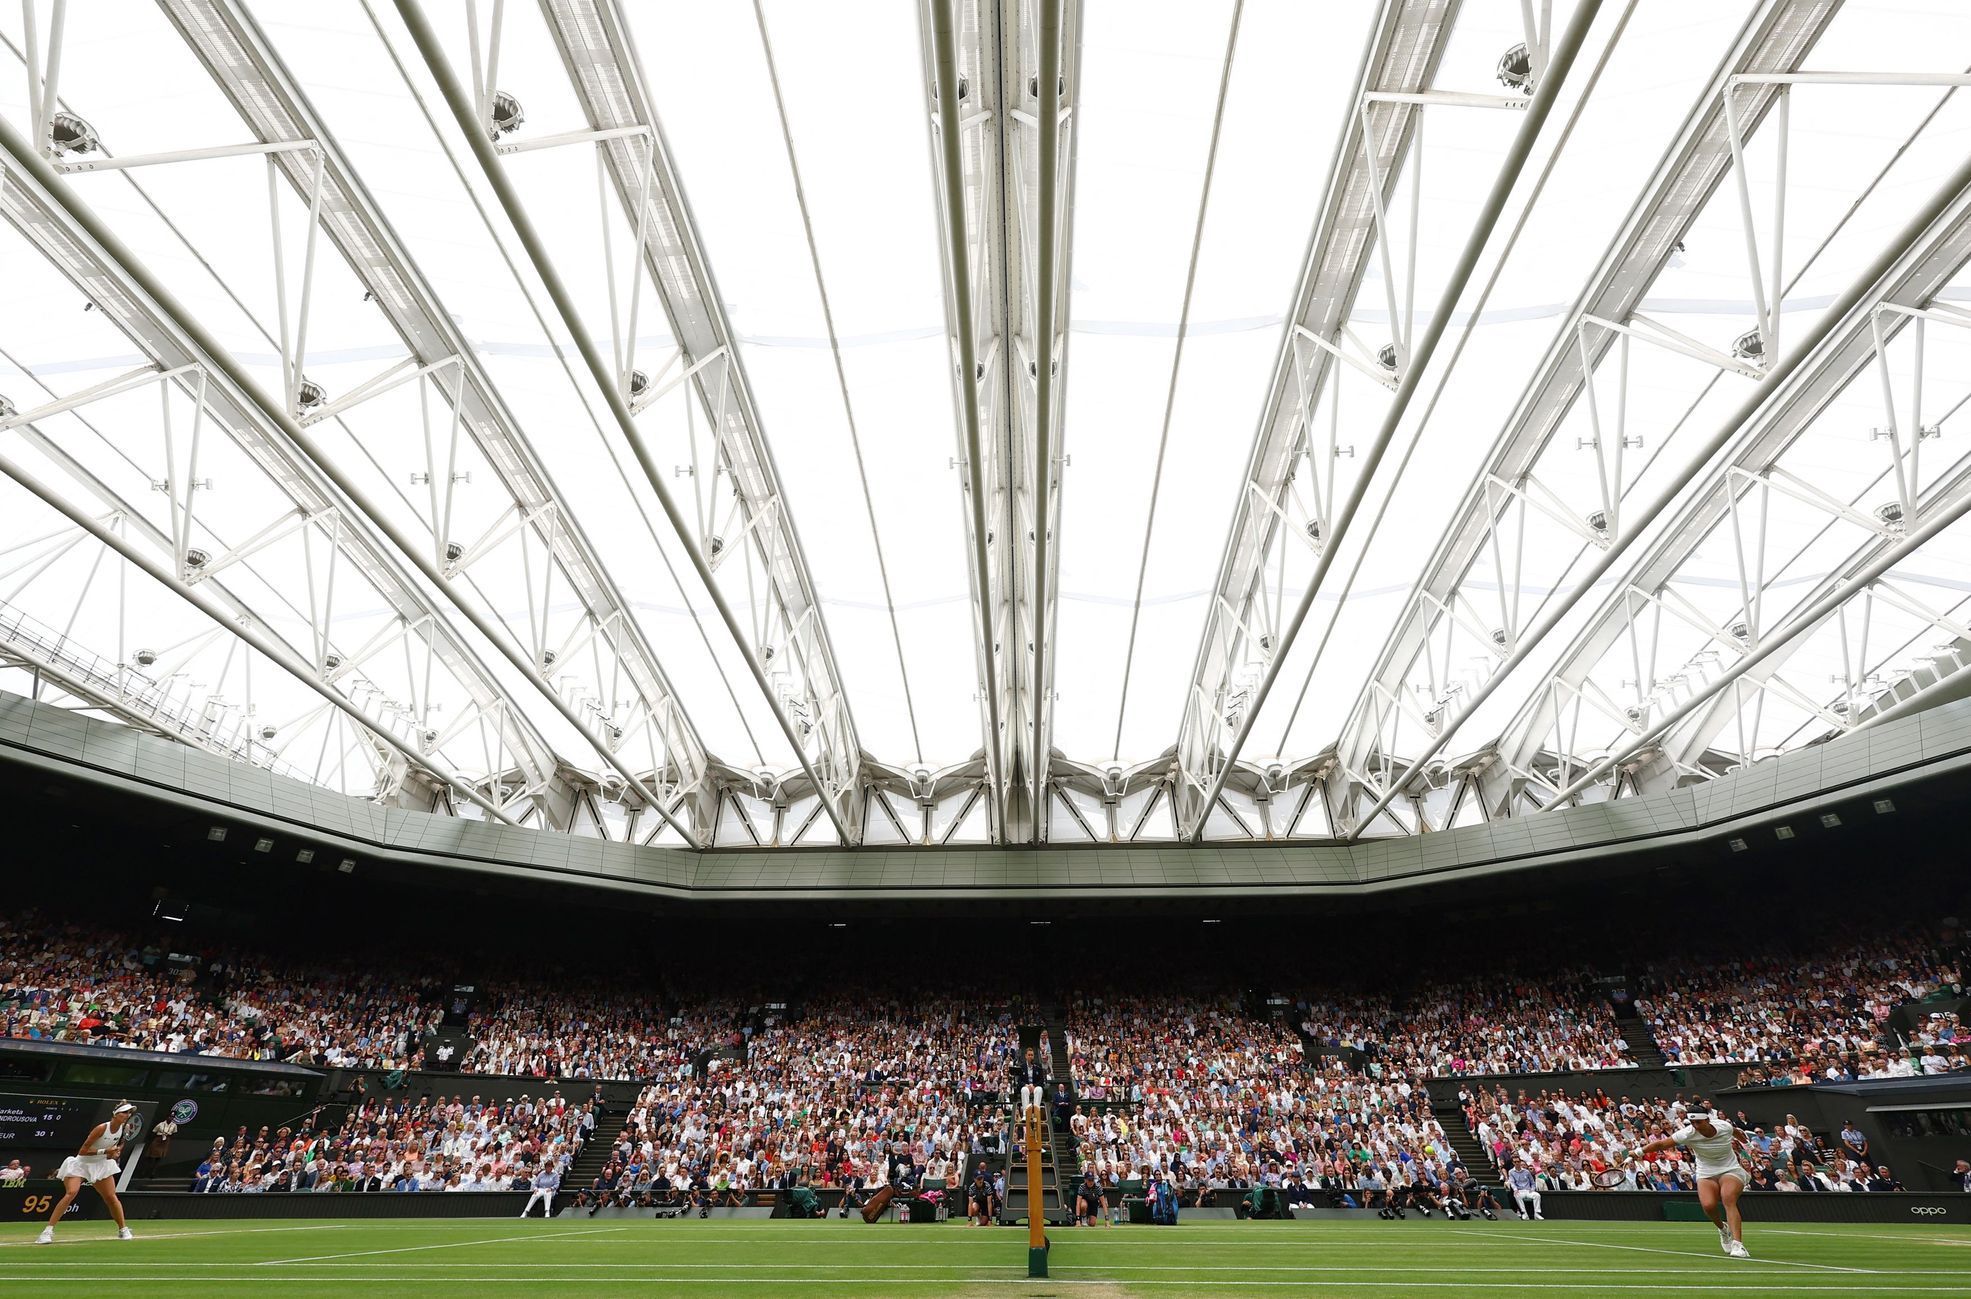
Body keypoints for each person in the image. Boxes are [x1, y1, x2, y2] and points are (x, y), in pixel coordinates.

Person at [1629, 1104, 1750, 1259]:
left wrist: (1748, 1145)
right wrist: (1638, 1152)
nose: (1695, 1126)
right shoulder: (1688, 1133)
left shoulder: (1724, 1126)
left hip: (1730, 1169)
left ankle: (1738, 1245)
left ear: (1707, 1120)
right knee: (1708, 1206)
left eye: (1698, 1122)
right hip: (1706, 1171)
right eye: (1692, 1123)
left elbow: (1736, 1132)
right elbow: (1661, 1144)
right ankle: (1722, 1229)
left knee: (1728, 1199)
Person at [37, 1102, 137, 1244]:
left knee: (111, 1197)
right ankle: (47, 1232)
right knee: (71, 1193)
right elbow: (83, 1151)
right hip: (81, 1164)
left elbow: (117, 1148)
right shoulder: (101, 1128)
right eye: (125, 1112)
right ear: (115, 1114)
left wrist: (113, 1154)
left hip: (101, 1164)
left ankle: (123, 1229)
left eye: (129, 1113)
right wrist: (105, 1151)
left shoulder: (124, 1128)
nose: (127, 1116)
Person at [1015, 1048, 1048, 1114]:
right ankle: (1026, 1113)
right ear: (1026, 1056)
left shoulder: (1038, 1066)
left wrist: (1034, 1086)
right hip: (1026, 1086)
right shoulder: (1022, 1066)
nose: (1030, 1056)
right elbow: (1019, 1081)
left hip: (1035, 1087)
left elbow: (1041, 1080)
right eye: (1029, 1055)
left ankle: (1036, 1113)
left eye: (1032, 1055)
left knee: (1039, 1089)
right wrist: (1026, 1085)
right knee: (1024, 1090)